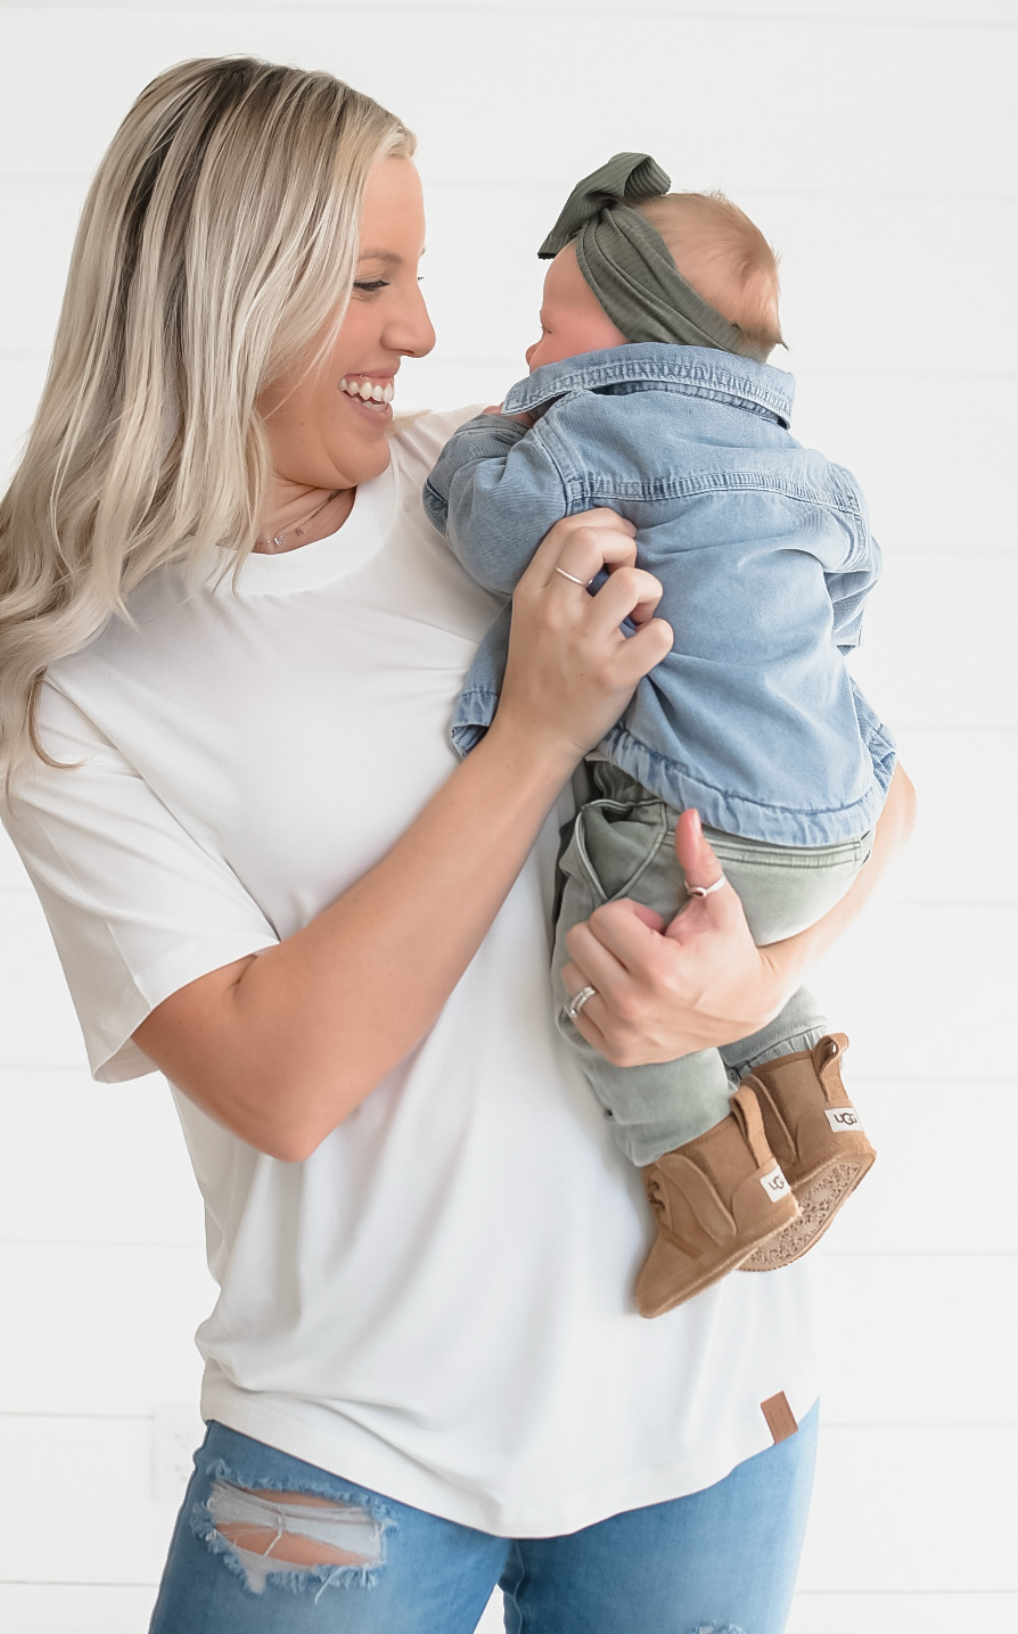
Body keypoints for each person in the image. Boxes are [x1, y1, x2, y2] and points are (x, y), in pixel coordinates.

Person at [0, 60, 915, 1634]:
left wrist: (741, 983)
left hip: (706, 1412)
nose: (422, 332)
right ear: (225, 296)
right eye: (370, 281)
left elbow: (861, 787)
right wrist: (535, 734)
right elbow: (283, 1079)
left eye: (417, 277)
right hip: (345, 1457)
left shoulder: (499, 483)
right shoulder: (80, 683)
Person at [424, 152, 891, 1320]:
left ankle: (708, 1188)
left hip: (700, 816)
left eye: (549, 328)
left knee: (607, 958)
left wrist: (482, 446)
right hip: (837, 817)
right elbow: (851, 600)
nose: (534, 355)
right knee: (724, 935)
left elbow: (492, 538)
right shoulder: (810, 470)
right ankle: (808, 1099)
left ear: (631, 333)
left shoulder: (593, 434)